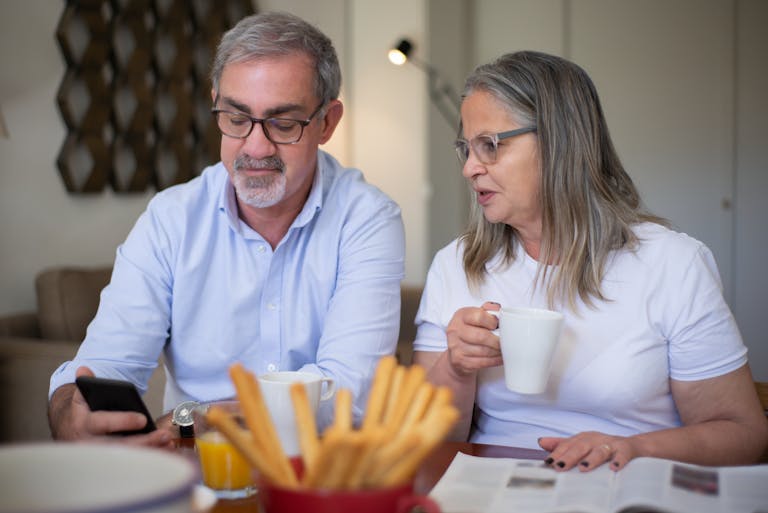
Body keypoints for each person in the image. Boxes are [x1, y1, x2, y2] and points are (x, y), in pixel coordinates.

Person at [48, 11, 405, 446]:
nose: (255, 147)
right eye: (237, 119)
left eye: (283, 123)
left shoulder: (367, 218)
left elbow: (347, 393)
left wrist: (195, 417)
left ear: (327, 123)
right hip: (194, 474)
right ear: (216, 101)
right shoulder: (170, 220)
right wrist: (70, 412)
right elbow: (105, 366)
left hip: (320, 473)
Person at [413, 50, 768, 472]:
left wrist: (634, 448)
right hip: (491, 488)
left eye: (490, 145)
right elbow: (424, 444)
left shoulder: (673, 264)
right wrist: (455, 367)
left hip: (627, 484)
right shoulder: (456, 265)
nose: (470, 168)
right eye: (466, 149)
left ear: (561, 143)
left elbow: (741, 434)